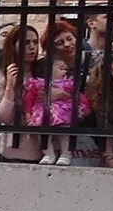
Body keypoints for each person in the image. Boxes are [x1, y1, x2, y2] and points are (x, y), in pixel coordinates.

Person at [27, 17, 92, 165]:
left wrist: (64, 95)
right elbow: (32, 94)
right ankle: (49, 154)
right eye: (60, 43)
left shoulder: (93, 59)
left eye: (70, 39)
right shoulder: (44, 67)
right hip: (48, 118)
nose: (67, 44)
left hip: (83, 122)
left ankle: (65, 154)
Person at [0, 25, 41, 163]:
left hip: (45, 149)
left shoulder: (43, 72)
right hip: (13, 149)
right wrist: (10, 86)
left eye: (35, 42)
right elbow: (4, 117)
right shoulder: (3, 75)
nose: (32, 47)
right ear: (13, 46)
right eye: (26, 43)